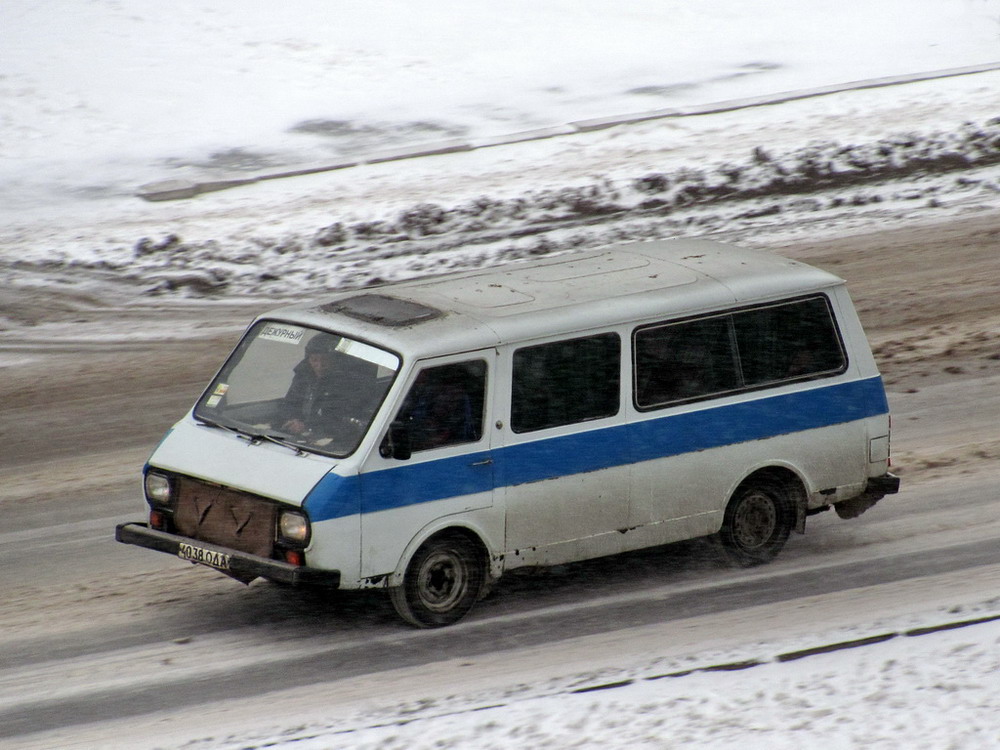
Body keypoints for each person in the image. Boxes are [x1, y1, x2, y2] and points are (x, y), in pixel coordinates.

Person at [280, 335, 336, 435]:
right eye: (314, 360)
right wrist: (294, 420)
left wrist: (307, 426)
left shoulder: (342, 382)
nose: (319, 366)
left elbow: (337, 418)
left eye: (325, 360)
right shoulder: (303, 375)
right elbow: (290, 402)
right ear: (308, 360)